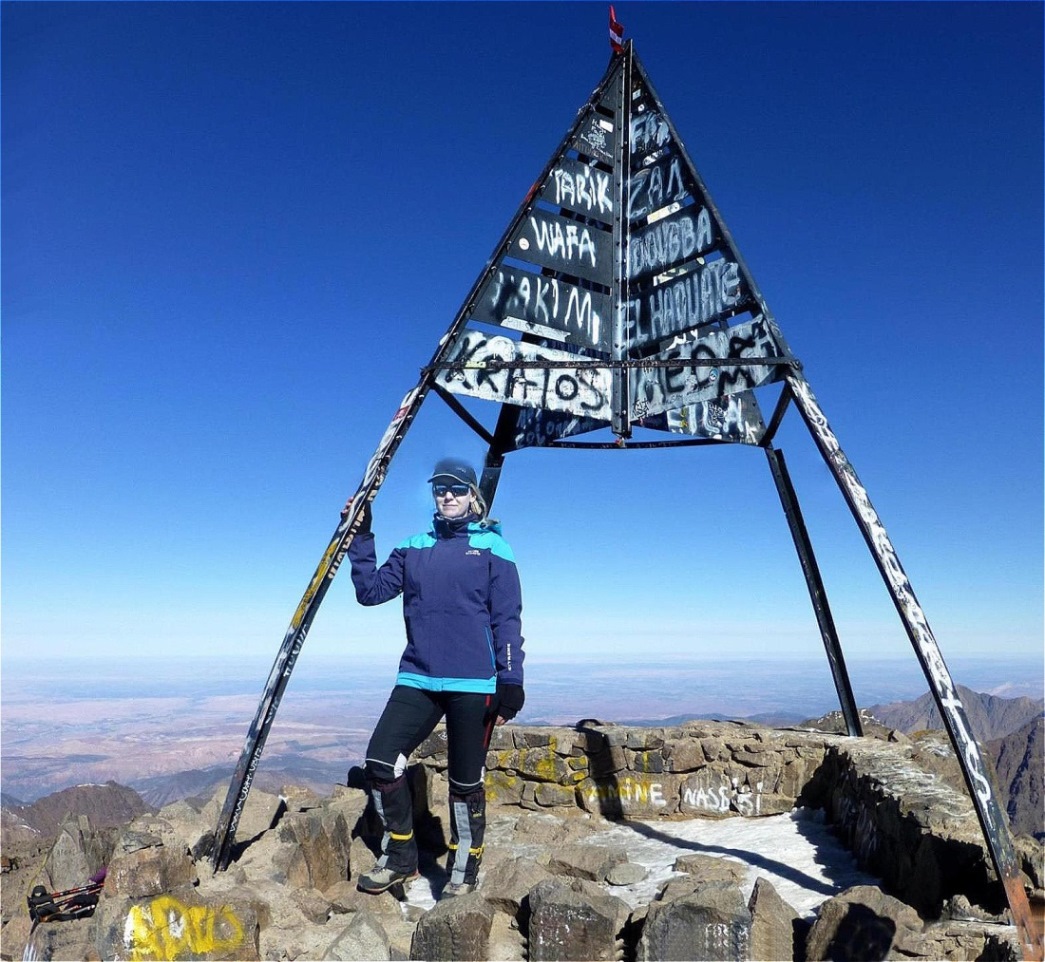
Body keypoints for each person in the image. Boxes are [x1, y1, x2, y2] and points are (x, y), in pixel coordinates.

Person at [344, 457, 525, 899]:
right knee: (381, 762)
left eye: (457, 489)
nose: (447, 495)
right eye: (440, 489)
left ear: (473, 498)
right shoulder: (413, 547)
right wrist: (362, 535)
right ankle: (402, 857)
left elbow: (506, 618)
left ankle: (464, 867)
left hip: (475, 684)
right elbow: (370, 593)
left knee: (465, 782)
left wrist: (511, 679)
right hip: (418, 676)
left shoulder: (494, 550)